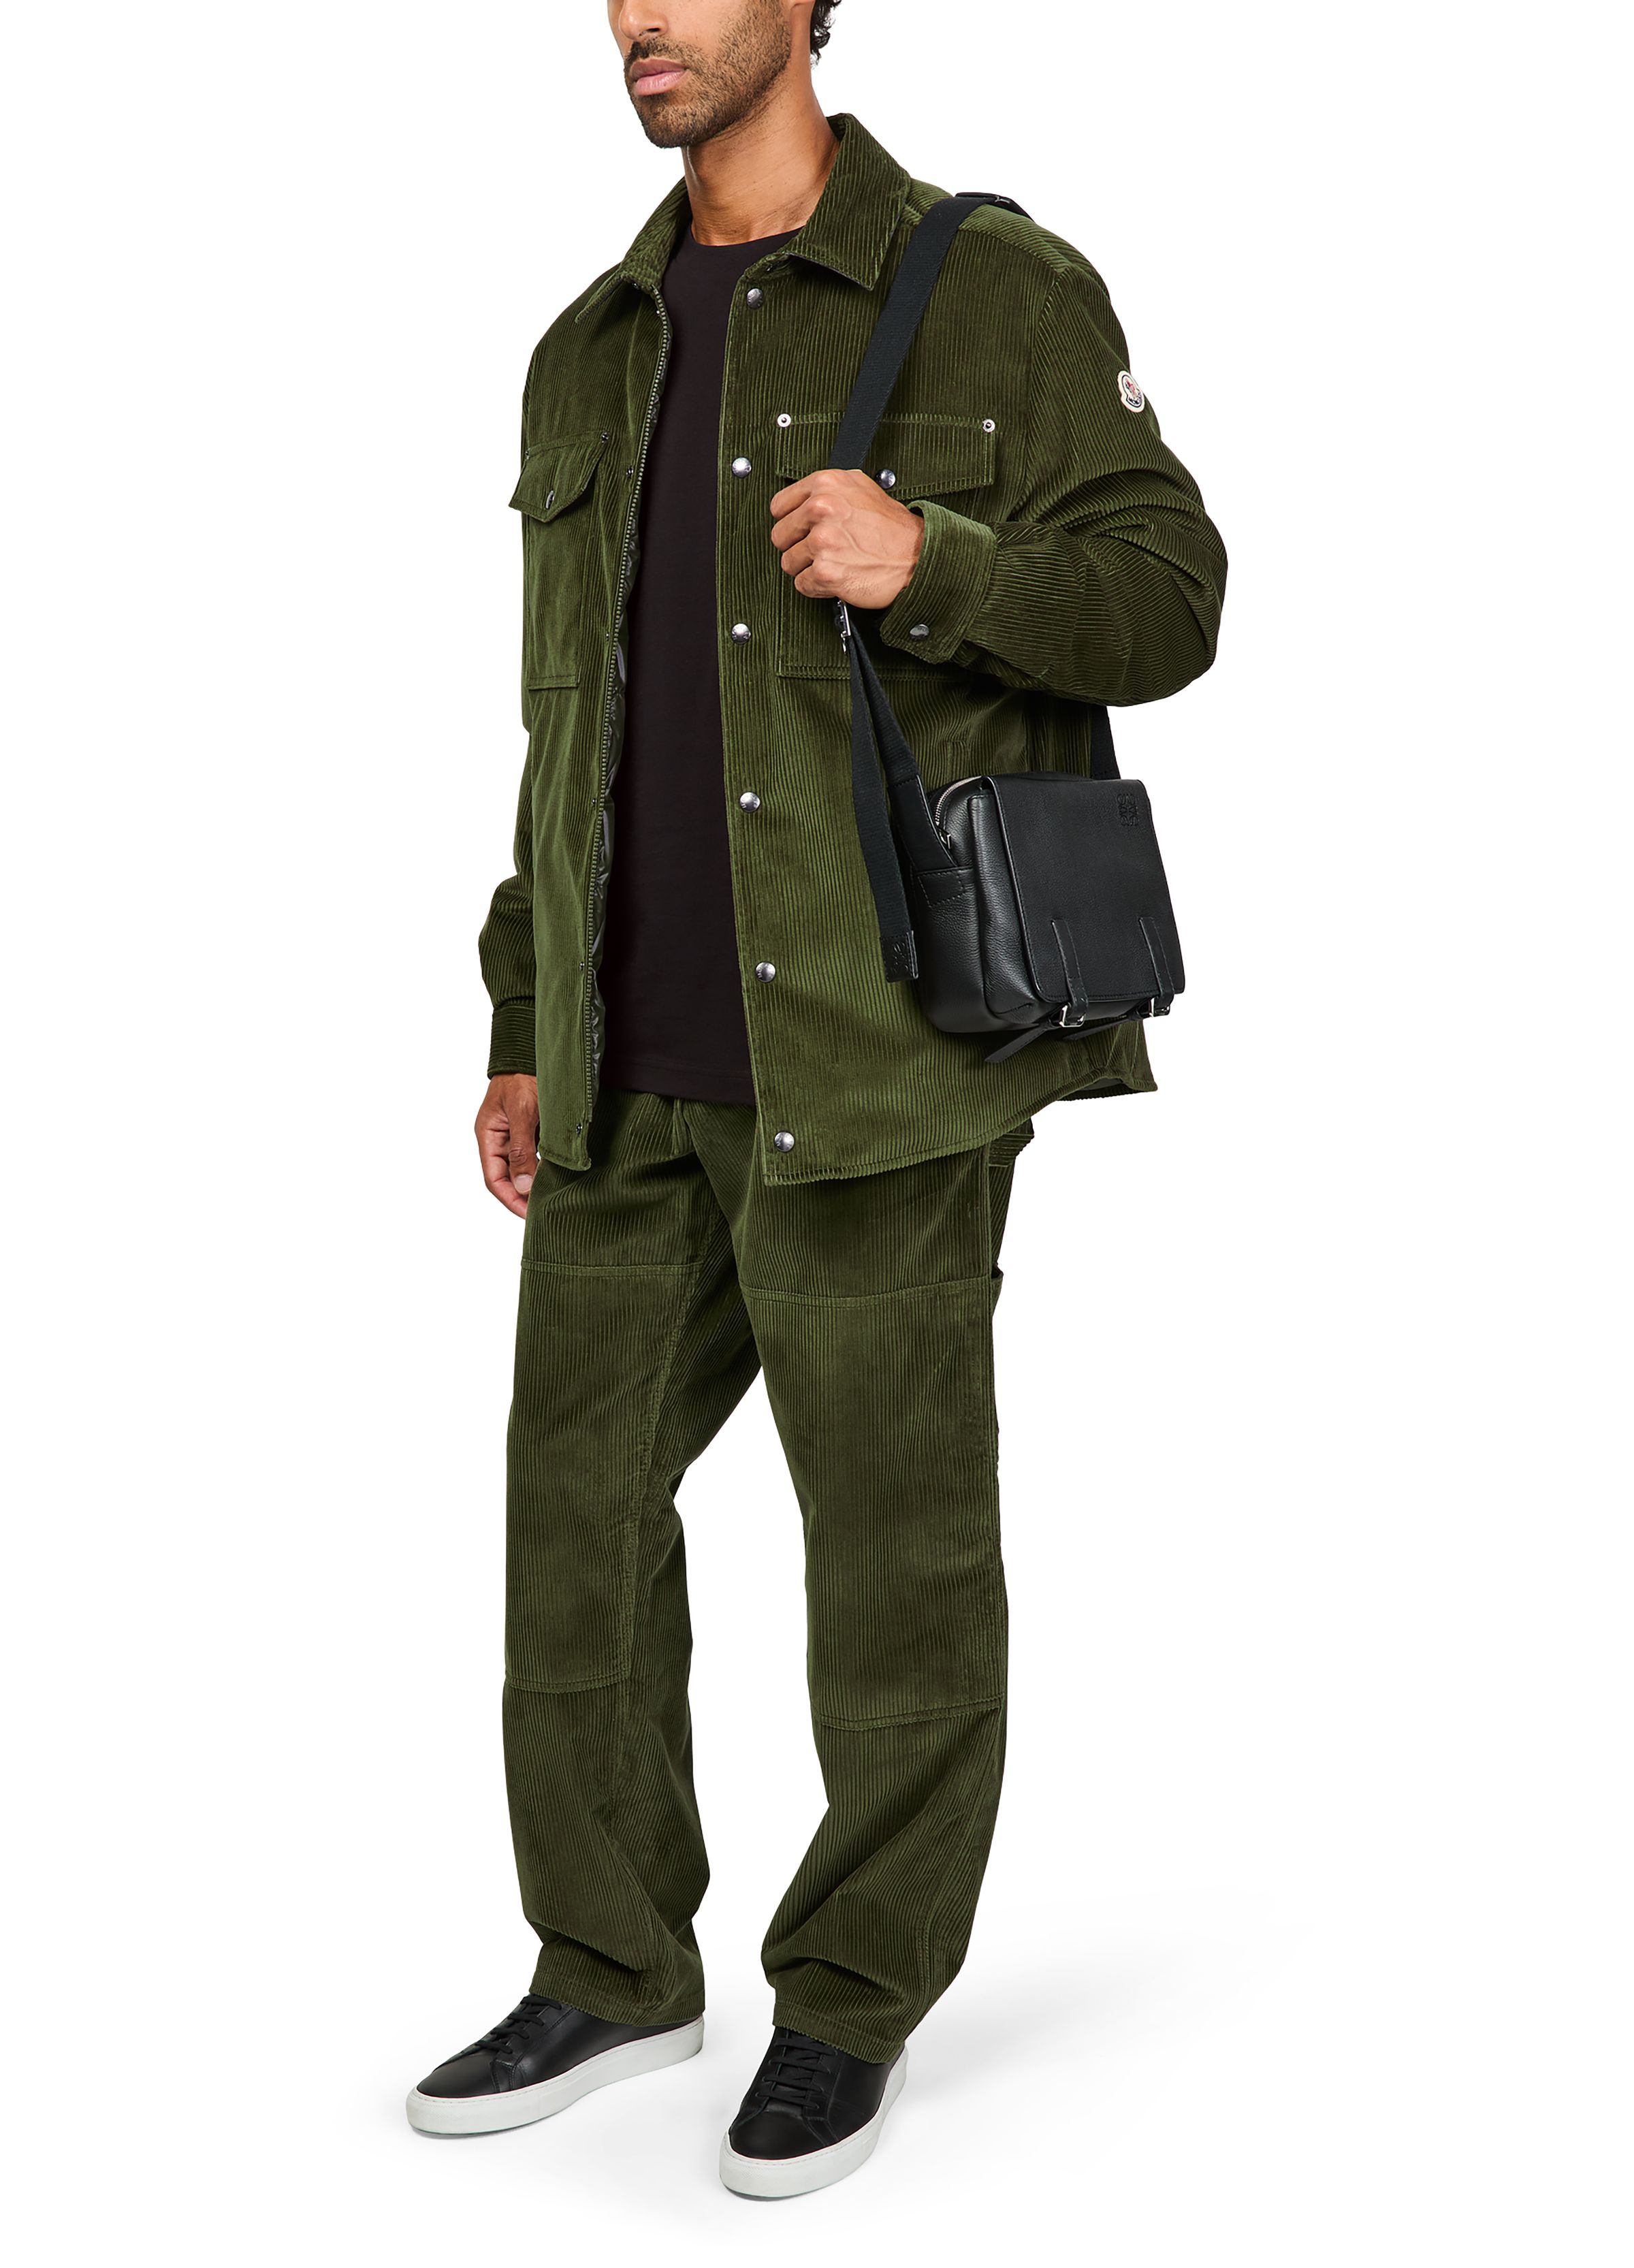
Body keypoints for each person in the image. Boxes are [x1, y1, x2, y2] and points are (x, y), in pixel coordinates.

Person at [408, 0, 1226, 2199]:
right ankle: (611, 1960)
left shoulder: (995, 287)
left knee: (895, 1565)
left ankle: (851, 1998)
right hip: (626, 1059)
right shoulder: (590, 348)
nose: (638, 19)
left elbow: (1174, 595)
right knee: (572, 1526)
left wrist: (934, 559)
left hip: (876, 1066)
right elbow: (566, 722)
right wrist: (521, 1008)